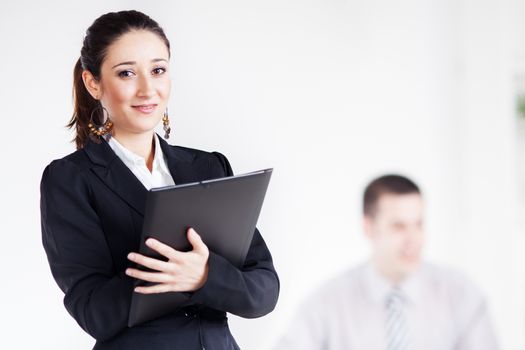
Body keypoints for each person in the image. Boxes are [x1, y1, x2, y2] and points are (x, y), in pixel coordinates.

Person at [40, 10, 279, 350]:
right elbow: (93, 312)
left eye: (158, 70)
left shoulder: (208, 168)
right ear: (93, 83)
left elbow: (263, 290)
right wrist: (178, 276)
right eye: (126, 73)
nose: (147, 89)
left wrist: (205, 275)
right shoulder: (71, 179)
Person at [274, 175, 498, 350]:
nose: (413, 240)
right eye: (398, 227)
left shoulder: (461, 295)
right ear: (369, 227)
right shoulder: (327, 303)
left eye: (418, 224)